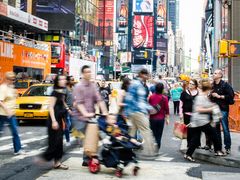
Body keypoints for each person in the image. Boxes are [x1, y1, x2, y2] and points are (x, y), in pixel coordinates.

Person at [72, 65, 108, 166]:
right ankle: (89, 158)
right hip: (79, 117)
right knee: (86, 138)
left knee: (95, 135)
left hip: (90, 116)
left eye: (90, 71)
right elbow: (79, 103)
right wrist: (86, 114)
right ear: (83, 74)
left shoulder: (93, 86)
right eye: (87, 72)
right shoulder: (78, 87)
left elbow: (99, 99)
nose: (89, 73)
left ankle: (86, 159)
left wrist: (105, 112)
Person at [184, 79, 225, 162]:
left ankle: (188, 154)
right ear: (207, 89)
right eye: (210, 89)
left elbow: (206, 105)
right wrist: (211, 109)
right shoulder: (201, 97)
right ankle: (218, 151)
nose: (210, 91)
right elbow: (199, 109)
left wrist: (212, 106)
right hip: (201, 121)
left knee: (195, 139)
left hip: (197, 121)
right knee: (214, 134)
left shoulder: (203, 96)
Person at [124, 69, 157, 159]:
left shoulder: (141, 84)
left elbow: (141, 100)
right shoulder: (136, 84)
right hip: (137, 112)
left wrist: (149, 108)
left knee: (131, 132)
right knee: (146, 130)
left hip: (136, 112)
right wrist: (127, 112)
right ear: (142, 74)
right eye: (146, 75)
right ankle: (150, 152)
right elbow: (129, 98)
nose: (148, 77)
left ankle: (125, 150)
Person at [39, 75, 69, 170]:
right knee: (54, 141)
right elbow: (51, 107)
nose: (63, 80)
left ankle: (57, 163)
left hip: (59, 118)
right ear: (57, 81)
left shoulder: (62, 91)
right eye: (60, 79)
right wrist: (54, 121)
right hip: (54, 119)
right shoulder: (54, 92)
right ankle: (44, 158)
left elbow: (62, 102)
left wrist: (68, 109)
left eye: (64, 79)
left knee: (59, 141)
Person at [210, 69, 235, 154]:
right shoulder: (212, 85)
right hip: (214, 109)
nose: (214, 74)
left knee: (225, 129)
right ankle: (218, 147)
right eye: (214, 73)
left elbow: (231, 96)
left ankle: (227, 147)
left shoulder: (225, 85)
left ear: (220, 75)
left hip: (223, 109)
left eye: (216, 73)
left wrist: (219, 96)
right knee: (215, 129)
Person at [0, 72, 23, 155]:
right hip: (3, 114)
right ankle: (18, 149)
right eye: (12, 79)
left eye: (14, 79)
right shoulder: (3, 88)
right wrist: (7, 110)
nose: (13, 81)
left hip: (11, 114)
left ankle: (18, 150)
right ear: (7, 79)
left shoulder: (11, 87)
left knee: (15, 131)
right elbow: (0, 101)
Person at [149, 83, 170, 150]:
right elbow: (167, 109)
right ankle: (157, 147)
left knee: (153, 133)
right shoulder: (165, 98)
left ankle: (153, 146)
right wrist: (167, 118)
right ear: (162, 89)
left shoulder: (151, 97)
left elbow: (149, 107)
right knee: (159, 134)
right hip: (161, 119)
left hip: (152, 118)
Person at [180, 79, 199, 147]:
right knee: (189, 129)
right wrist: (181, 114)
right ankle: (189, 143)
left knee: (195, 129)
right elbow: (181, 103)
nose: (190, 85)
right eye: (190, 83)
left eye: (192, 84)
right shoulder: (184, 93)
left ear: (195, 85)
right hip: (187, 114)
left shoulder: (198, 93)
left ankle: (195, 143)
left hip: (196, 114)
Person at [64, 76, 75, 146]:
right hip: (66, 110)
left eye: (73, 80)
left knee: (73, 125)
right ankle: (67, 140)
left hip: (73, 109)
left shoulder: (73, 89)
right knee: (68, 125)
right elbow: (63, 101)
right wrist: (67, 109)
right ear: (68, 81)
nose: (73, 81)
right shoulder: (65, 89)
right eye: (72, 80)